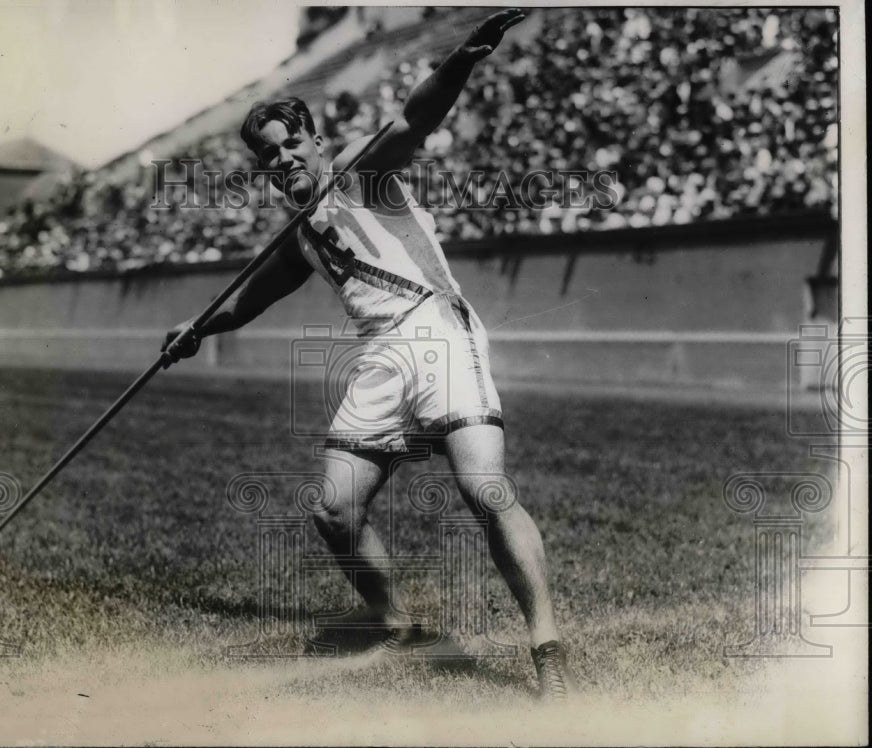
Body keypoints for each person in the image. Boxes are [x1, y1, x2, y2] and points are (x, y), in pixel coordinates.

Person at [162, 8, 577, 701]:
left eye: (291, 144)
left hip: (437, 333)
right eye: (269, 157)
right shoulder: (297, 236)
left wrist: (461, 59)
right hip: (380, 356)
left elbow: (416, 118)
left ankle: (548, 646)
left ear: (317, 143)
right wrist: (196, 328)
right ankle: (395, 622)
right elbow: (247, 300)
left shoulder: (363, 176)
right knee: (333, 510)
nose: (283, 160)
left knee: (485, 489)